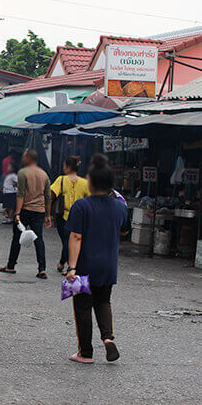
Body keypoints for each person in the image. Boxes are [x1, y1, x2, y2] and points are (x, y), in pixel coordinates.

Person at [65, 155, 131, 364]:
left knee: (82, 307)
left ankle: (86, 353)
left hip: (84, 265)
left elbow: (76, 236)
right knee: (103, 301)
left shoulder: (81, 206)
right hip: (108, 266)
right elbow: (125, 232)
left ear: (91, 183)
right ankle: (108, 338)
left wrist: (72, 267)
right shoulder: (120, 207)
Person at [0, 149, 51, 278]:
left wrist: (17, 213)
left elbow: (20, 194)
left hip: (25, 210)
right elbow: (48, 196)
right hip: (39, 211)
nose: (23, 158)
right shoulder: (44, 174)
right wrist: (48, 215)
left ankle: (11, 266)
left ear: (28, 158)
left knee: (17, 238)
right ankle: (42, 269)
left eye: (24, 156)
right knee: (39, 238)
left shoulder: (23, 173)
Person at [51, 156, 90, 274]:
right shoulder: (85, 183)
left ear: (67, 167)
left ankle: (70, 267)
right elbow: (90, 200)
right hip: (80, 216)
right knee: (68, 241)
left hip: (63, 216)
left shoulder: (61, 179)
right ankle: (62, 263)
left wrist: (47, 212)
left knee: (67, 241)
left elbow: (51, 195)